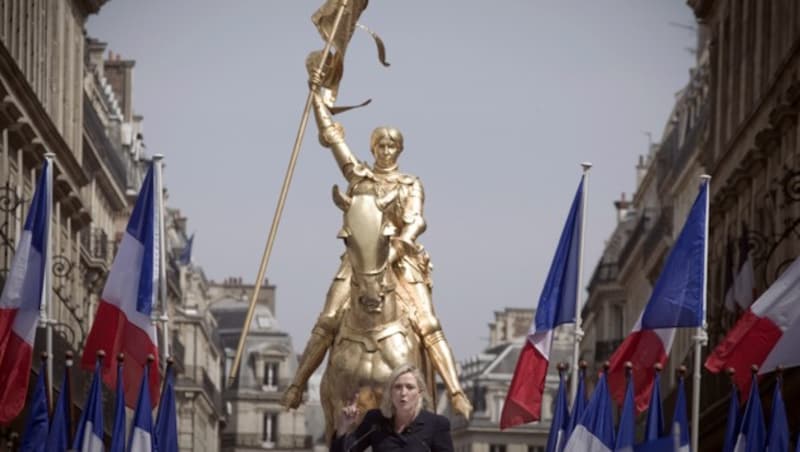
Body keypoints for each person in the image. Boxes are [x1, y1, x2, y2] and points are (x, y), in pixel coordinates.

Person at [282, 82, 472, 420]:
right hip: (359, 261)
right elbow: (333, 140)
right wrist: (317, 101)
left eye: (392, 144)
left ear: (399, 149)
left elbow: (416, 221)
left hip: (401, 257)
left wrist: (398, 249)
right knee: (328, 318)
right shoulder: (360, 177)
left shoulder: (409, 183)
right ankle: (297, 385)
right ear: (372, 147)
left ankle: (455, 391)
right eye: (380, 144)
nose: (386, 149)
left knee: (427, 322)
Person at [331, 364, 454, 452]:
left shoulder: (437, 425)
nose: (403, 393)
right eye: (398, 387)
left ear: (419, 393)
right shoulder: (375, 421)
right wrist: (343, 426)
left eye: (409, 387)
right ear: (390, 392)